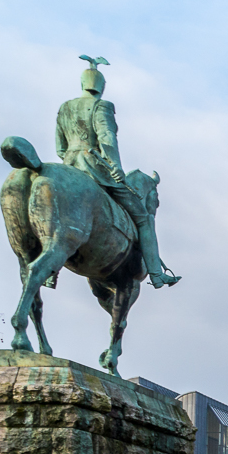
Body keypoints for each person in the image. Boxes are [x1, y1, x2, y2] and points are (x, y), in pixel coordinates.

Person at [56, 56, 180, 289]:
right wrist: (115, 168)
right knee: (143, 220)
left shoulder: (65, 108)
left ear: (83, 84)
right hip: (95, 168)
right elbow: (107, 138)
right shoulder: (102, 106)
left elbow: (60, 148)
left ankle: (51, 270)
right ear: (101, 87)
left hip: (69, 166)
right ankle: (156, 274)